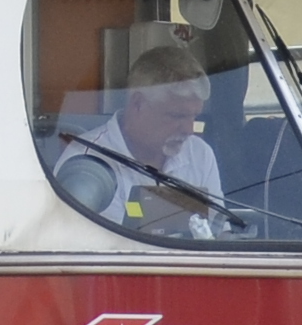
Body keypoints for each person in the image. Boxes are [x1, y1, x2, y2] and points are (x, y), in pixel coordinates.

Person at [47, 28, 228, 234]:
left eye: (194, 117)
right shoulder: (87, 162)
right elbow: (101, 246)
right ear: (138, 103)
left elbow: (220, 232)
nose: (188, 130)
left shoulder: (199, 154)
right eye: (176, 116)